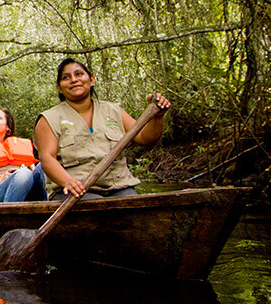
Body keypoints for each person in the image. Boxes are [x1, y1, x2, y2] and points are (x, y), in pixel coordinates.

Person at [34, 58, 171, 200]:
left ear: (92, 80)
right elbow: (47, 158)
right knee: (98, 209)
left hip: (119, 186)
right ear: (59, 88)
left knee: (132, 207)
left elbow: (145, 138)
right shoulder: (49, 118)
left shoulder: (113, 111)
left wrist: (157, 117)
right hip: (75, 192)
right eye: (66, 77)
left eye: (79, 74)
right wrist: (68, 181)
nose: (74, 80)